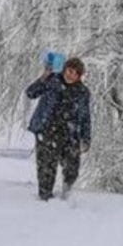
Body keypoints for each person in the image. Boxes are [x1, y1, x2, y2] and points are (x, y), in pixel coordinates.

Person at [26, 56, 91, 201]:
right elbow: (30, 93)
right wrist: (43, 77)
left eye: (75, 72)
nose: (70, 74)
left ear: (79, 75)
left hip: (70, 134)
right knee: (46, 167)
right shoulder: (52, 80)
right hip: (47, 130)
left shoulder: (83, 92)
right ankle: (45, 197)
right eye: (69, 70)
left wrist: (85, 139)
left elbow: (86, 117)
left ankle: (66, 196)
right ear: (64, 69)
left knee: (72, 167)